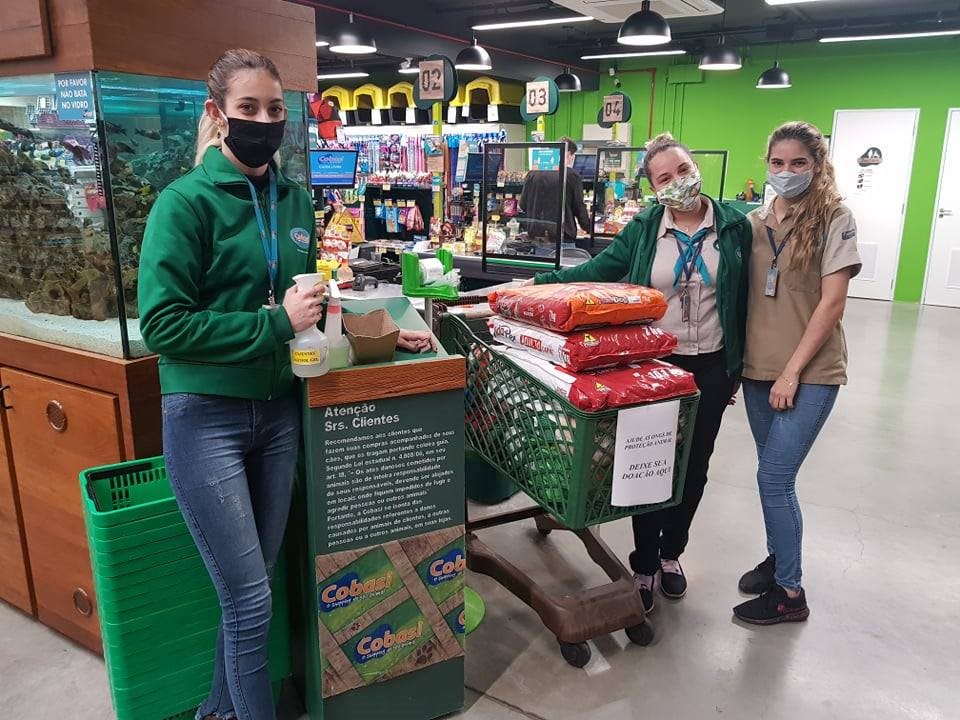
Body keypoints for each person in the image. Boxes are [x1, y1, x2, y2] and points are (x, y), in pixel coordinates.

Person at [138, 49, 433, 720]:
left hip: (277, 413)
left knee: (253, 592)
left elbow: (313, 302)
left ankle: (217, 711)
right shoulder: (182, 205)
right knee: (248, 600)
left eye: (274, 110)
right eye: (248, 110)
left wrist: (381, 330)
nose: (263, 122)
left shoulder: (296, 198)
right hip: (205, 416)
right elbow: (163, 325)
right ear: (217, 116)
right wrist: (271, 325)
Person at [532, 133, 752, 613]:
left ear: (696, 167)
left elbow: (749, 299)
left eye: (683, 170)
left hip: (711, 365)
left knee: (695, 465)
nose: (679, 183)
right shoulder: (646, 227)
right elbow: (599, 269)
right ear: (654, 187)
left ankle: (672, 554)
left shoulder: (736, 227)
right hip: (653, 364)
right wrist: (537, 284)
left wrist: (741, 367)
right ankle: (644, 562)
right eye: (664, 178)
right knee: (647, 459)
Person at [734, 121, 861, 626]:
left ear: (818, 166)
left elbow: (832, 304)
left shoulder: (834, 217)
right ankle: (777, 557)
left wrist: (791, 372)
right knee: (772, 475)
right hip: (757, 369)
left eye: (798, 163)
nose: (786, 172)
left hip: (809, 372)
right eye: (777, 163)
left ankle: (790, 593)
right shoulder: (753, 219)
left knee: (775, 476)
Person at [519, 136, 592, 250]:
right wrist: (588, 228)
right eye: (573, 156)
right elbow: (579, 207)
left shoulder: (533, 174)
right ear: (568, 154)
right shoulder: (571, 175)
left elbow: (522, 205)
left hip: (538, 238)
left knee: (542, 268)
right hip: (563, 239)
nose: (573, 159)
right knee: (564, 268)